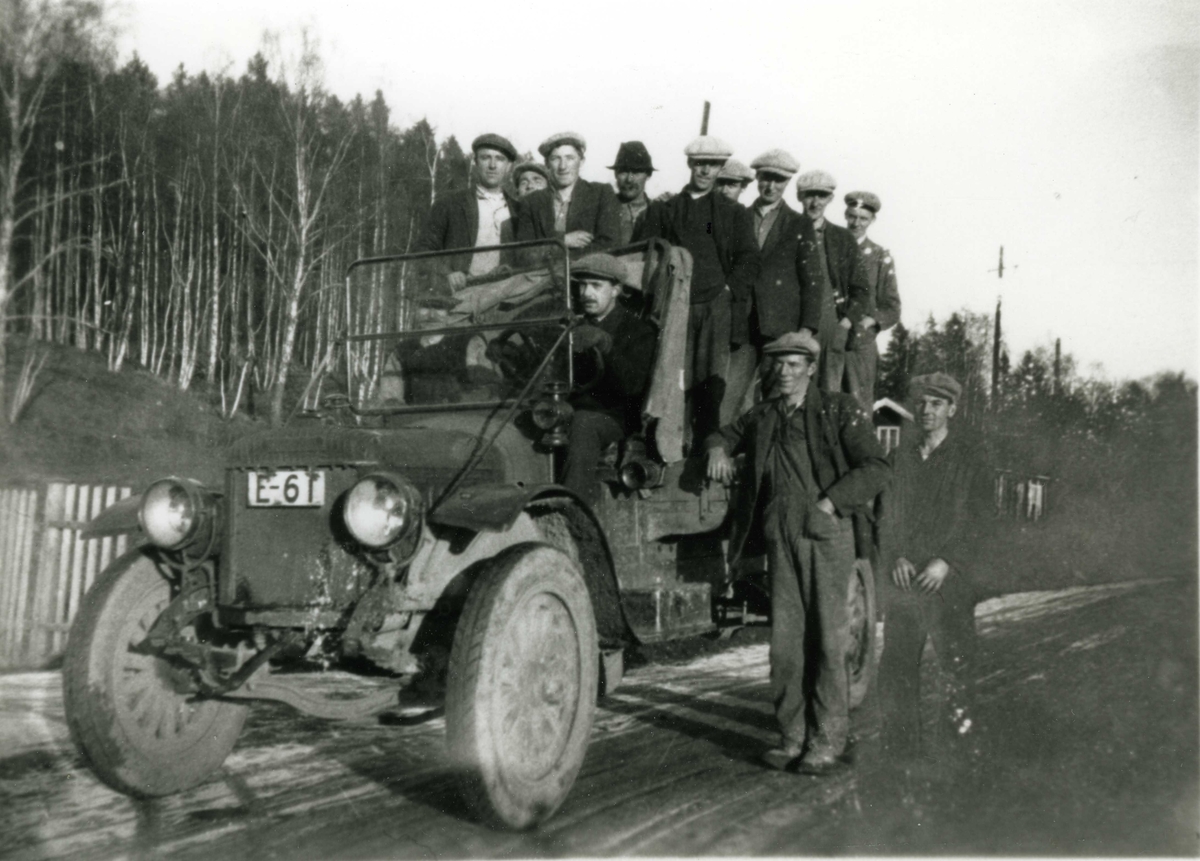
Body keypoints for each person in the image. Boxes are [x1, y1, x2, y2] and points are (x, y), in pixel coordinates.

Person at [706, 331, 890, 774]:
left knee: (828, 639)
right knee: (785, 644)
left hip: (826, 532)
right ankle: (792, 736)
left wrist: (829, 504)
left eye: (793, 365)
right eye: (778, 365)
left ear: (811, 367)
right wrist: (717, 449)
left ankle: (826, 740)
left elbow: (877, 466)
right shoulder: (764, 415)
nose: (784, 373)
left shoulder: (838, 409)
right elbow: (723, 433)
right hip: (780, 534)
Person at [877, 372, 986, 762]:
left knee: (956, 668)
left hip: (948, 583)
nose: (927, 410)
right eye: (921, 403)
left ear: (952, 409)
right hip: (905, 581)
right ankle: (901, 752)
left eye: (937, 403)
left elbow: (982, 521)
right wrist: (895, 556)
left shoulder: (970, 461)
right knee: (898, 667)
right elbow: (884, 516)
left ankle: (959, 754)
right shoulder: (898, 458)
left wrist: (947, 562)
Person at [636, 135, 760, 443]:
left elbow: (749, 257)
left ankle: (706, 452)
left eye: (713, 165)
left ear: (720, 168)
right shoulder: (666, 209)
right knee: (670, 381)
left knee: (710, 384)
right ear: (690, 164)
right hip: (674, 306)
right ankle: (664, 450)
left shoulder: (733, 213)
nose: (705, 171)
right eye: (700, 164)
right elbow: (647, 255)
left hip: (715, 306)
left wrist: (729, 289)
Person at [721, 148, 822, 424]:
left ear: (787, 183)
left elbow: (813, 279)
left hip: (780, 327)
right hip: (739, 324)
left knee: (777, 401)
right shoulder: (738, 216)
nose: (771, 186)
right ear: (756, 178)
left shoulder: (799, 223)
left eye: (778, 180)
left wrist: (806, 329)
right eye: (766, 178)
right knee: (728, 397)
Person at [560, 253, 656, 508]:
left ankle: (572, 514)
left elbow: (633, 386)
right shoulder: (574, 327)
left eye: (596, 286)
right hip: (572, 410)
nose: (586, 293)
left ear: (616, 290)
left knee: (583, 423)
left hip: (615, 418)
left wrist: (606, 345)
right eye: (581, 285)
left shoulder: (638, 330)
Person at [794, 170, 870, 395]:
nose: (815, 202)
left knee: (828, 396)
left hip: (831, 327)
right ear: (799, 197)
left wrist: (845, 322)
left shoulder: (841, 238)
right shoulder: (788, 230)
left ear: (830, 199)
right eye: (809, 195)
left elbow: (862, 288)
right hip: (794, 325)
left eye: (821, 196)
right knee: (792, 393)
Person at [414, 133, 521, 290]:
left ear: (509, 166)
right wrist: (447, 273)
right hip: (460, 295)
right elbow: (423, 251)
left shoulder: (518, 211)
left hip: (503, 298)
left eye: (499, 159)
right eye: (485, 157)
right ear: (475, 162)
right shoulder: (450, 204)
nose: (492, 165)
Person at [842, 191, 901, 413]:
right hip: (829, 339)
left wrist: (870, 321)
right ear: (845, 215)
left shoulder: (879, 256)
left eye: (863, 218)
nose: (856, 223)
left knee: (858, 409)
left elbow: (893, 307)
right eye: (852, 216)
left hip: (859, 345)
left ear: (872, 220)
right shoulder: (832, 248)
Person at [515, 132, 621, 253]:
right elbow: (522, 253)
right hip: (541, 272)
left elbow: (610, 245)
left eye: (569, 158)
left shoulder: (601, 193)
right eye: (555, 159)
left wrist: (549, 250)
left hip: (585, 271)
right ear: (547, 164)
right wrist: (562, 241)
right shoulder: (531, 202)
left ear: (581, 162)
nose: (563, 166)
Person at [610, 141, 655, 246]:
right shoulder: (604, 209)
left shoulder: (658, 211)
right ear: (615, 174)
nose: (629, 180)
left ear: (648, 175)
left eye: (636, 172)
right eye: (624, 171)